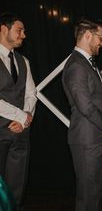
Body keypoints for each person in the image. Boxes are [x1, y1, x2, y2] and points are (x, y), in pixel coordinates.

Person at [62, 19, 102, 211]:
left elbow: (100, 100)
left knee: (94, 195)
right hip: (87, 141)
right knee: (87, 197)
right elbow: (85, 106)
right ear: (88, 35)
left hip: (95, 139)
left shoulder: (87, 64)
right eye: (100, 38)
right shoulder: (77, 65)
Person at [0, 13, 37, 211]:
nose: (24, 35)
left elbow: (32, 93)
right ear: (3, 29)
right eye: (19, 30)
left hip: (20, 134)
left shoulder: (24, 61)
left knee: (15, 192)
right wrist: (21, 116)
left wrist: (26, 119)